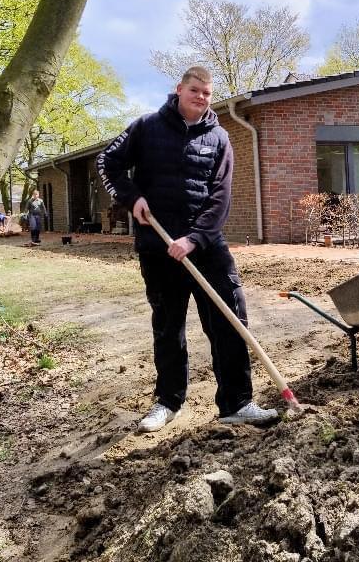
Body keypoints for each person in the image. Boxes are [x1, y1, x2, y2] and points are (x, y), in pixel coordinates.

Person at [97, 65, 277, 432]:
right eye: (195, 90)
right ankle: (168, 401)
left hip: (206, 245)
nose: (201, 97)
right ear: (179, 89)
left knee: (230, 318)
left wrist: (194, 239)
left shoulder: (220, 138)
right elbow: (108, 162)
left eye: (207, 93)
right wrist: (131, 199)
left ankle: (237, 402)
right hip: (158, 245)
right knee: (168, 326)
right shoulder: (146, 127)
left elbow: (221, 196)